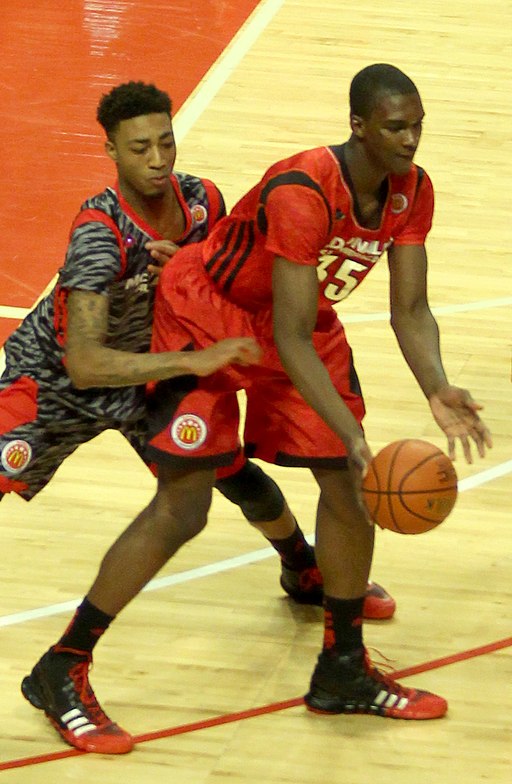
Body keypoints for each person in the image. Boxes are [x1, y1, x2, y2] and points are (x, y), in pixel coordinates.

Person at [4, 81, 394, 753]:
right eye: (139, 148)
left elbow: (219, 266)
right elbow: (89, 364)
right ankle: (58, 674)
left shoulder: (202, 199)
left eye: (165, 142)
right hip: (55, 387)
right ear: (110, 152)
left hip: (154, 365)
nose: (157, 159)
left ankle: (301, 567)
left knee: (223, 475)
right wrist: (205, 356)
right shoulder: (99, 236)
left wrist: (192, 271)